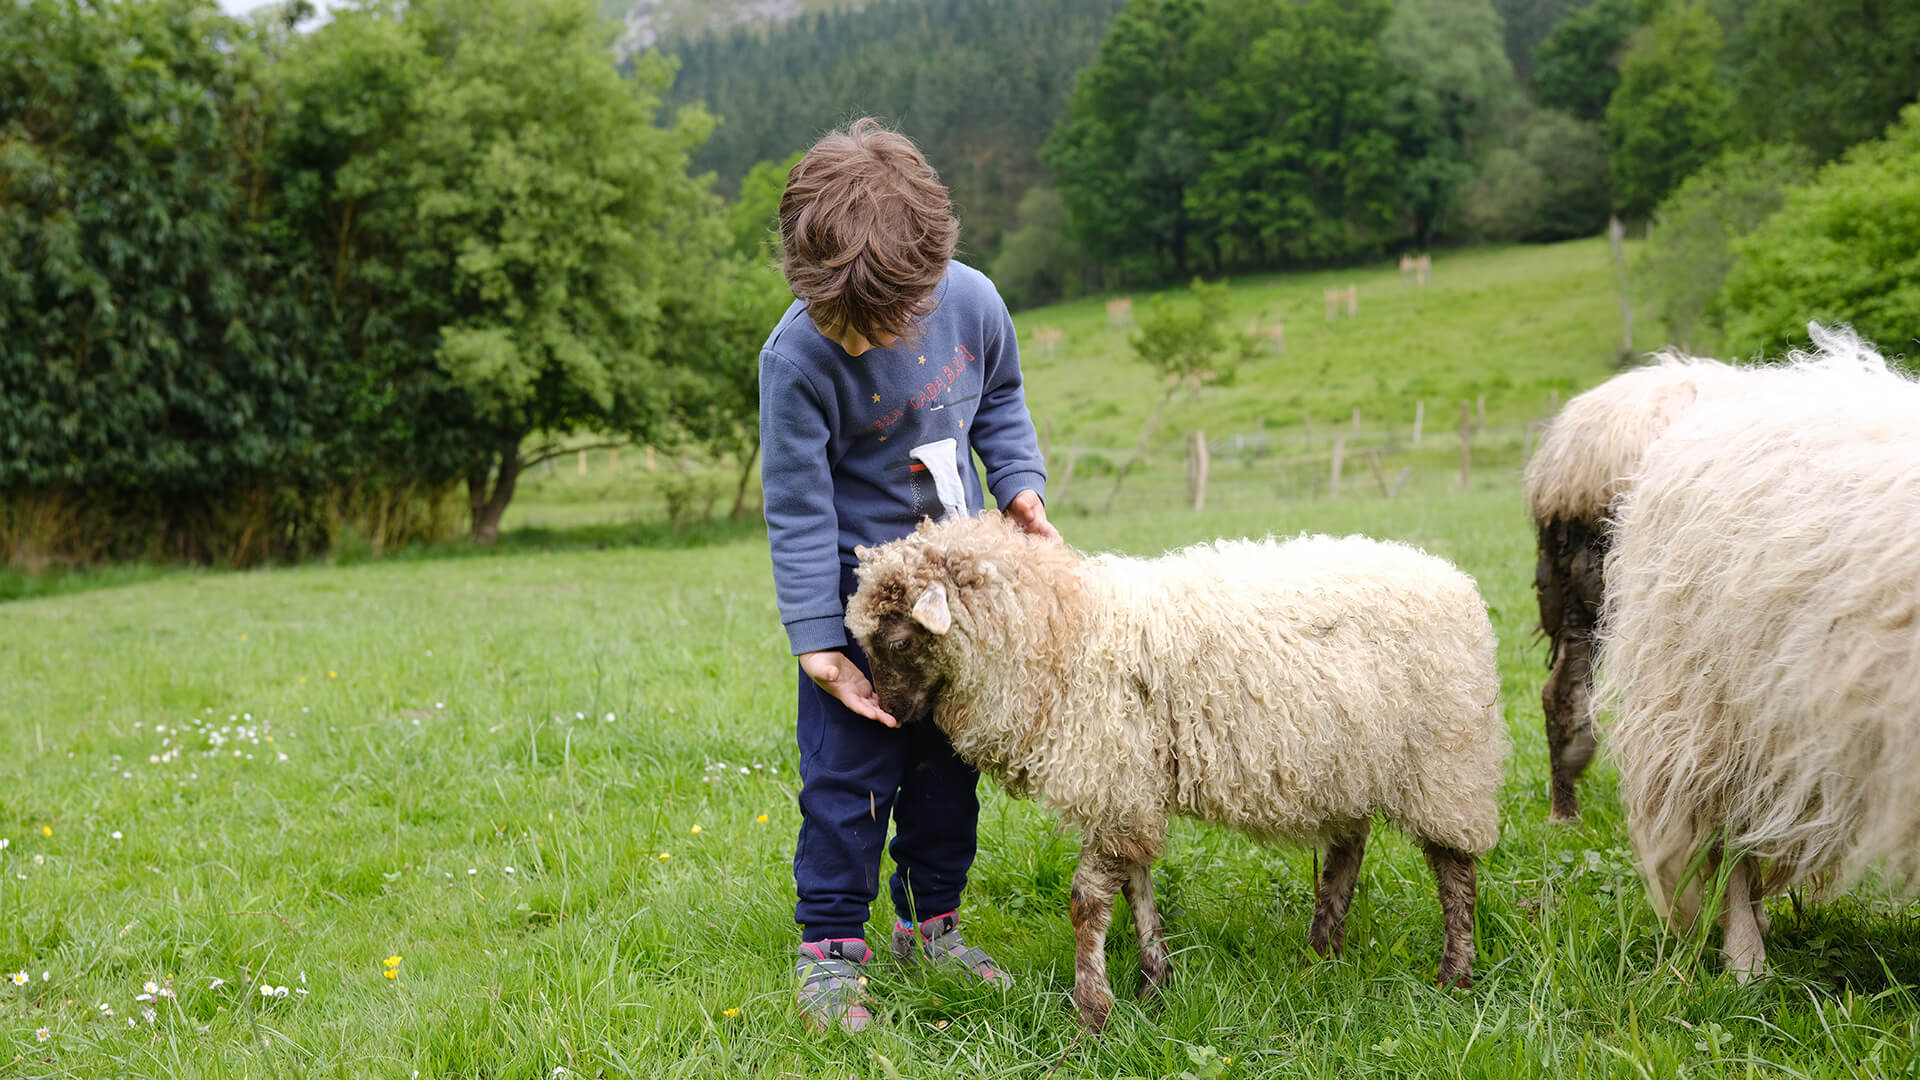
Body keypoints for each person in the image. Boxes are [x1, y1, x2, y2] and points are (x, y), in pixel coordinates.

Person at [758, 117, 1058, 1032]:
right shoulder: (796, 359)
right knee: (846, 789)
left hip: (957, 616)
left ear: (928, 279)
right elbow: (799, 506)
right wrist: (819, 645)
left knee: (945, 782)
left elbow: (1001, 401)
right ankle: (831, 952)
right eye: (834, 321)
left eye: (872, 326)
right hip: (864, 626)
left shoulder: (973, 303)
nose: (852, 343)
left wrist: (1021, 489)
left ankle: (934, 927)